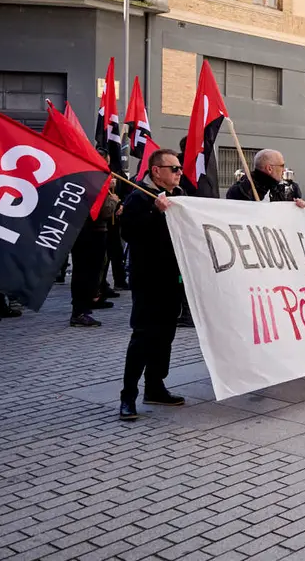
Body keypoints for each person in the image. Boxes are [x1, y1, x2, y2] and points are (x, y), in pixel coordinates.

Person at [120, 148, 188, 420]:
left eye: (180, 168)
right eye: (174, 169)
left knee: (165, 336)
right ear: (156, 171)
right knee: (143, 337)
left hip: (172, 279)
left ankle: (155, 385)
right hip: (148, 280)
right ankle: (128, 396)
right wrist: (155, 212)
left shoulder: (179, 196)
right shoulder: (138, 197)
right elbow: (129, 233)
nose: (179, 173)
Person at [70, 182, 119, 328]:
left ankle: (85, 306)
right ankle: (79, 311)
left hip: (89, 232)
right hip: (90, 232)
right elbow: (103, 211)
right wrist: (113, 201)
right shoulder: (94, 184)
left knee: (90, 271)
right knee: (86, 272)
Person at [226, 149, 305, 207]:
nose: (283, 170)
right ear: (269, 168)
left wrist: (297, 208)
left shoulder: (281, 188)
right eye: (282, 166)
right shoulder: (242, 190)